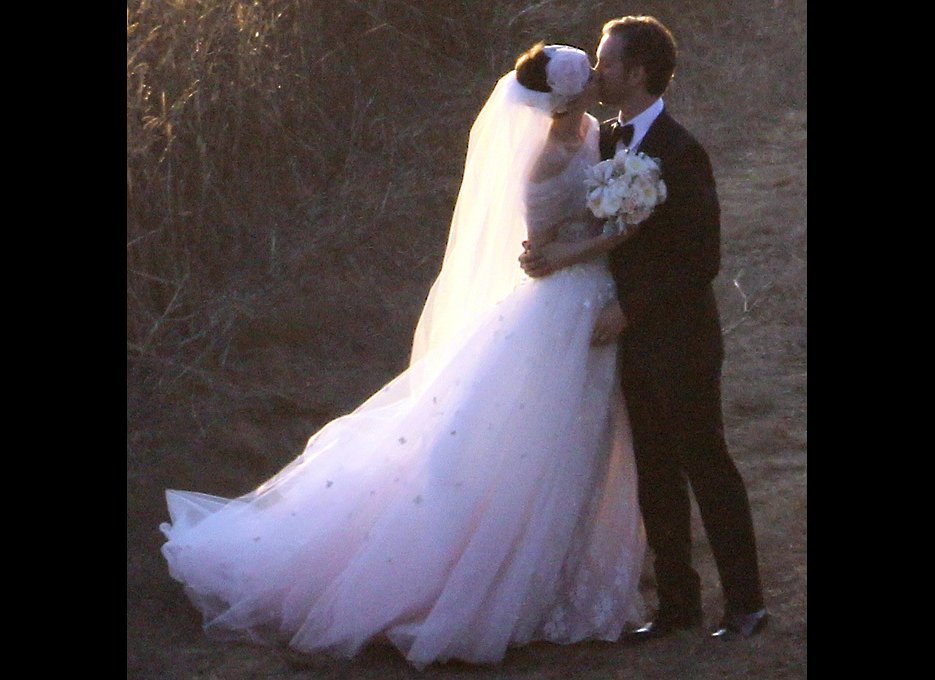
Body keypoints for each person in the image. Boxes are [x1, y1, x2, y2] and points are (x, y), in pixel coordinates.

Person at [160, 44, 646, 670]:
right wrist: (616, 234)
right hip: (562, 305)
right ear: (569, 95)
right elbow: (541, 249)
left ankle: (574, 565)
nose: (595, 83)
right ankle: (499, 580)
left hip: (592, 299)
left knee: (583, 437)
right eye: (586, 78)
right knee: (538, 441)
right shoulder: (548, 157)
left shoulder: (589, 132)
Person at [520, 16, 767, 640]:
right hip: (621, 336)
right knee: (654, 472)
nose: (597, 73)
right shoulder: (603, 141)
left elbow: (699, 258)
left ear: (637, 73)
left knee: (705, 461)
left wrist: (632, 309)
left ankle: (746, 606)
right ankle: (677, 607)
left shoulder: (682, 153)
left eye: (606, 63)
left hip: (679, 336)